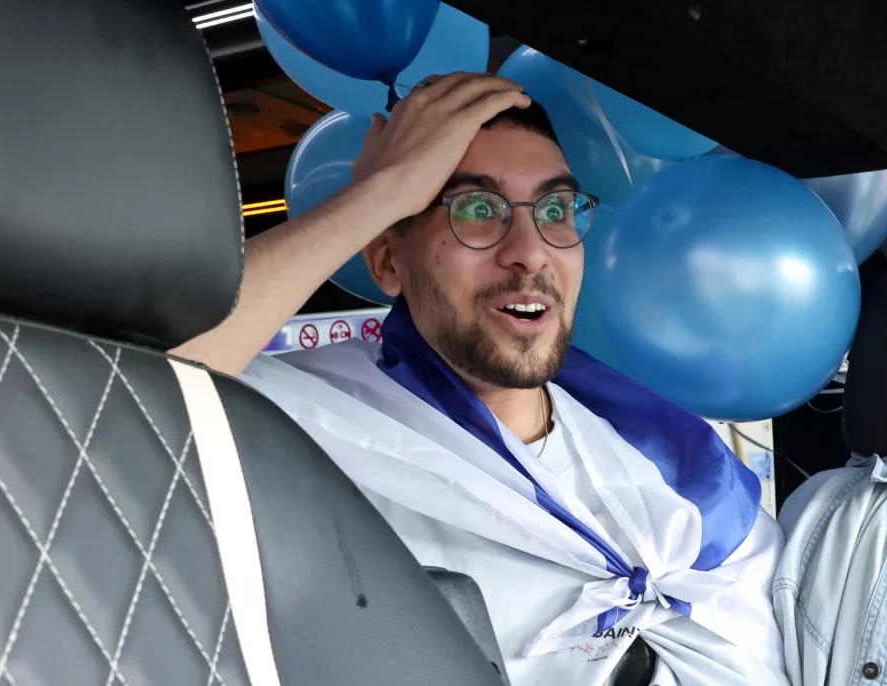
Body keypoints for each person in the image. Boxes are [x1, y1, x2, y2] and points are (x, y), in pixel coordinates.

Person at [173, 72, 787, 686]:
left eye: (555, 210)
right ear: (388, 260)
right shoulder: (301, 429)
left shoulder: (674, 465)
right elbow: (132, 390)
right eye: (476, 209)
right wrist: (380, 193)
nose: (531, 251)